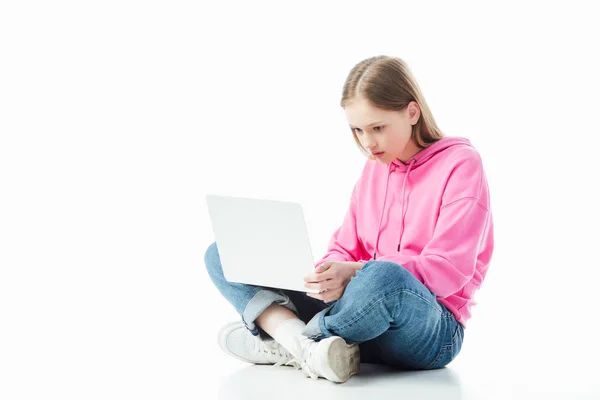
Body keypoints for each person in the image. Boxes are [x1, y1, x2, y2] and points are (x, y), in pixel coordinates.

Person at [204, 55, 494, 384]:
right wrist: (328, 276)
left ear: (412, 112)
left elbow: (448, 270)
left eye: (378, 128)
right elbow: (344, 247)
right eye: (357, 130)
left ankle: (288, 341)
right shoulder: (375, 168)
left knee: (384, 276)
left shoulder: (460, 164)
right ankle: (311, 347)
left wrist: (356, 272)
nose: (368, 143)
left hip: (429, 328)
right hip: (358, 319)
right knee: (223, 251)